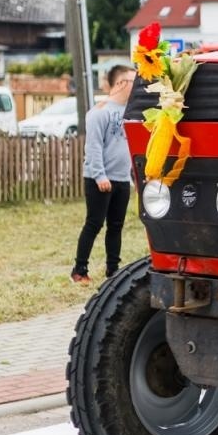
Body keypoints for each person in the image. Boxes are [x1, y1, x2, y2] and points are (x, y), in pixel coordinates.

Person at [73, 65, 135, 283]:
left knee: (116, 226)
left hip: (121, 179)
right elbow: (93, 147)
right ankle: (79, 270)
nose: (136, 87)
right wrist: (100, 176)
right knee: (94, 223)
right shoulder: (99, 112)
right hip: (99, 179)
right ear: (119, 84)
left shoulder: (131, 112)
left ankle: (113, 270)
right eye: (132, 82)